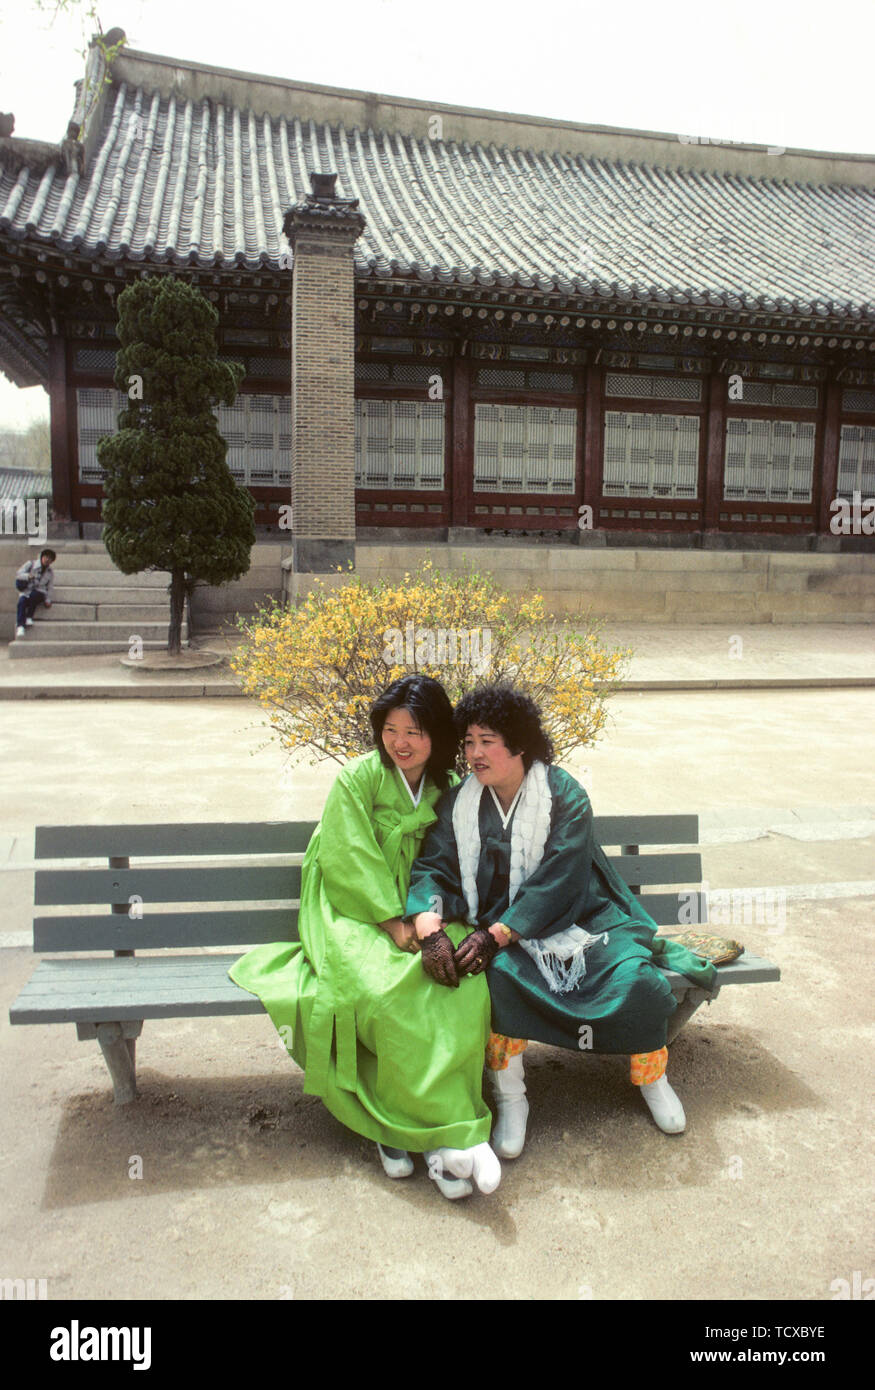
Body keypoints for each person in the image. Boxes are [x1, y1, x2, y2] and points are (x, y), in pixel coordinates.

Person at [406, 685, 716, 1159]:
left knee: (634, 978)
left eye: (487, 740)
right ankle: (513, 1099)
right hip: (501, 934)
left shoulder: (564, 794)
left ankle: (652, 1079)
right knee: (497, 980)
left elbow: (562, 877)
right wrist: (430, 929)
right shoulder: (459, 804)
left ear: (520, 743)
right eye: (468, 742)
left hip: (583, 919)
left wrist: (499, 933)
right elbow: (434, 867)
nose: (474, 753)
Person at [229, 675, 502, 1200]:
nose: (400, 742)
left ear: (437, 734)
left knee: (458, 984)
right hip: (351, 905)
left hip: (423, 904)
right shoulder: (357, 779)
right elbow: (345, 857)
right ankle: (405, 1127)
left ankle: (438, 1131)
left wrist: (427, 919)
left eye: (415, 731)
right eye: (391, 729)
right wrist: (390, 921)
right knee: (380, 988)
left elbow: (454, 858)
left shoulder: (448, 786)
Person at [15, 548, 56, 637]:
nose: (47, 560)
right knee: (21, 602)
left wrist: (48, 600)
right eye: (46, 557)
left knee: (34, 595)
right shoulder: (31, 564)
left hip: (39, 592)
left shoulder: (50, 572)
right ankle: (20, 626)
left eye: (50, 559)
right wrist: (28, 576)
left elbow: (50, 587)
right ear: (42, 557)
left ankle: (29, 616)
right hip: (27, 590)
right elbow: (18, 574)